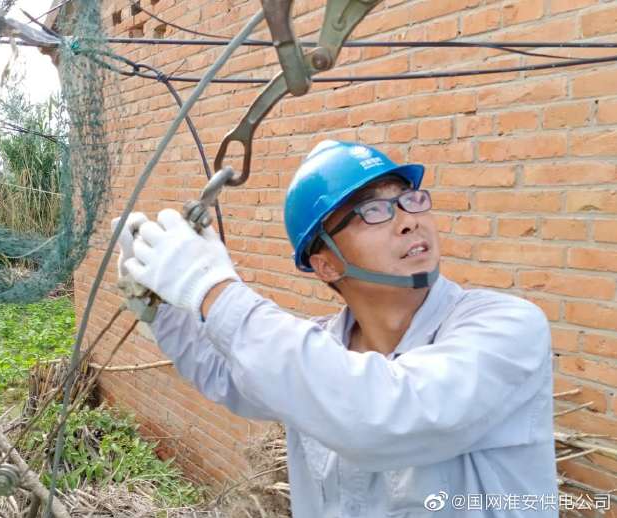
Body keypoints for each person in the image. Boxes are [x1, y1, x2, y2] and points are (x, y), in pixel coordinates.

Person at [113, 140, 557, 517]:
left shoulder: (506, 327)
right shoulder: (320, 355)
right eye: (372, 210)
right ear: (326, 264)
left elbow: (388, 414)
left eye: (410, 199)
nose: (408, 219)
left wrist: (212, 289)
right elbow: (227, 373)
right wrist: (161, 307)